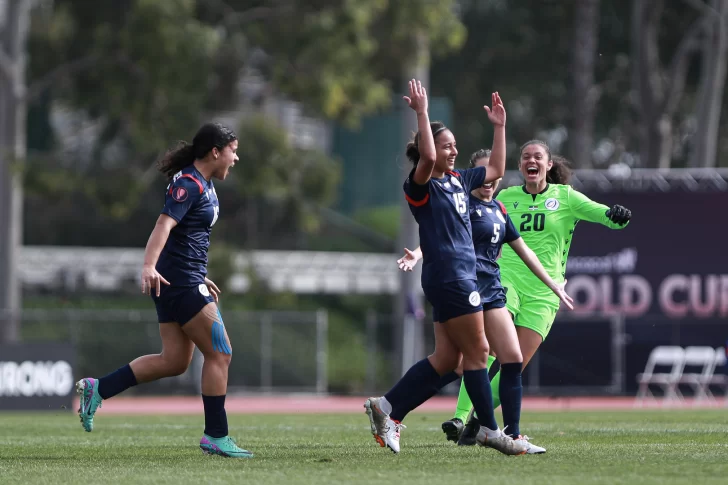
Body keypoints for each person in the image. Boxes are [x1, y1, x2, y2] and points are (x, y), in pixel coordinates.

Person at [364, 79, 528, 456]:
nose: (454, 151)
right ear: (429, 149)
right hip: (451, 277)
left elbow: (498, 167)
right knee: (479, 351)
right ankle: (488, 430)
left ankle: (386, 408)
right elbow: (425, 160)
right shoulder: (421, 185)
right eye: (446, 145)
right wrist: (421, 113)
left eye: (455, 145)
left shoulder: (459, 180)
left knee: (448, 361)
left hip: (456, 278)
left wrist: (500, 127)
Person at [75, 122, 253, 458]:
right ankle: (216, 434)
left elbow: (189, 238)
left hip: (184, 279)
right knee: (221, 352)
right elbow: (164, 224)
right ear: (216, 152)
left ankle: (99, 388)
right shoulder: (188, 183)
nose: (236, 157)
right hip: (179, 282)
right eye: (233, 150)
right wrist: (148, 266)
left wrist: (201, 275)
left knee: (173, 361)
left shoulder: (205, 184)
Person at [440, 141, 632, 445]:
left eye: (537, 156)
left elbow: (605, 216)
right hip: (506, 282)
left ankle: (478, 419)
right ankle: (459, 417)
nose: (532, 160)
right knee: (487, 350)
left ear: (549, 164)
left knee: (515, 363)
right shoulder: (506, 197)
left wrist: (617, 215)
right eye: (526, 156)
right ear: (520, 166)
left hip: (545, 292)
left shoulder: (565, 197)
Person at [397, 149, 573, 454]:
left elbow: (525, 253)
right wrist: (419, 253)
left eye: (495, 176)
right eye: (485, 175)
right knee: (458, 363)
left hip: (492, 292)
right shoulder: (462, 206)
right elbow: (441, 237)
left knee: (507, 359)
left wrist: (553, 284)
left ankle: (508, 434)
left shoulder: (500, 210)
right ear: (474, 176)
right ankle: (459, 421)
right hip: (466, 291)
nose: (490, 181)